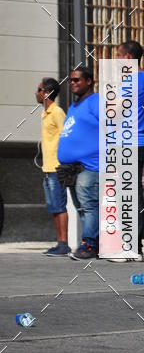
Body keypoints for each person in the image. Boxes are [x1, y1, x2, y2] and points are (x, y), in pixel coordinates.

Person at [113, 40, 144, 260]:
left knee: (128, 196)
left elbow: (114, 109)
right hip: (131, 142)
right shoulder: (142, 79)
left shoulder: (133, 80)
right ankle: (131, 245)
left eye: (119, 55)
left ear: (128, 57)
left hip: (129, 143)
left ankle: (132, 247)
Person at [57, 67, 100, 261]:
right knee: (81, 207)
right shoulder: (74, 106)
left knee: (89, 205)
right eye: (71, 80)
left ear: (89, 81)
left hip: (90, 166)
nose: (73, 83)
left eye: (77, 80)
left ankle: (90, 244)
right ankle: (89, 243)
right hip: (71, 168)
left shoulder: (96, 101)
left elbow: (112, 126)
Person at [36, 77, 69, 256]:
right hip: (47, 168)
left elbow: (67, 136)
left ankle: (64, 245)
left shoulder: (57, 112)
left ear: (47, 93)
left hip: (57, 168)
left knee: (60, 206)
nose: (37, 92)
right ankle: (60, 243)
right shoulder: (46, 113)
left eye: (39, 89)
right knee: (54, 207)